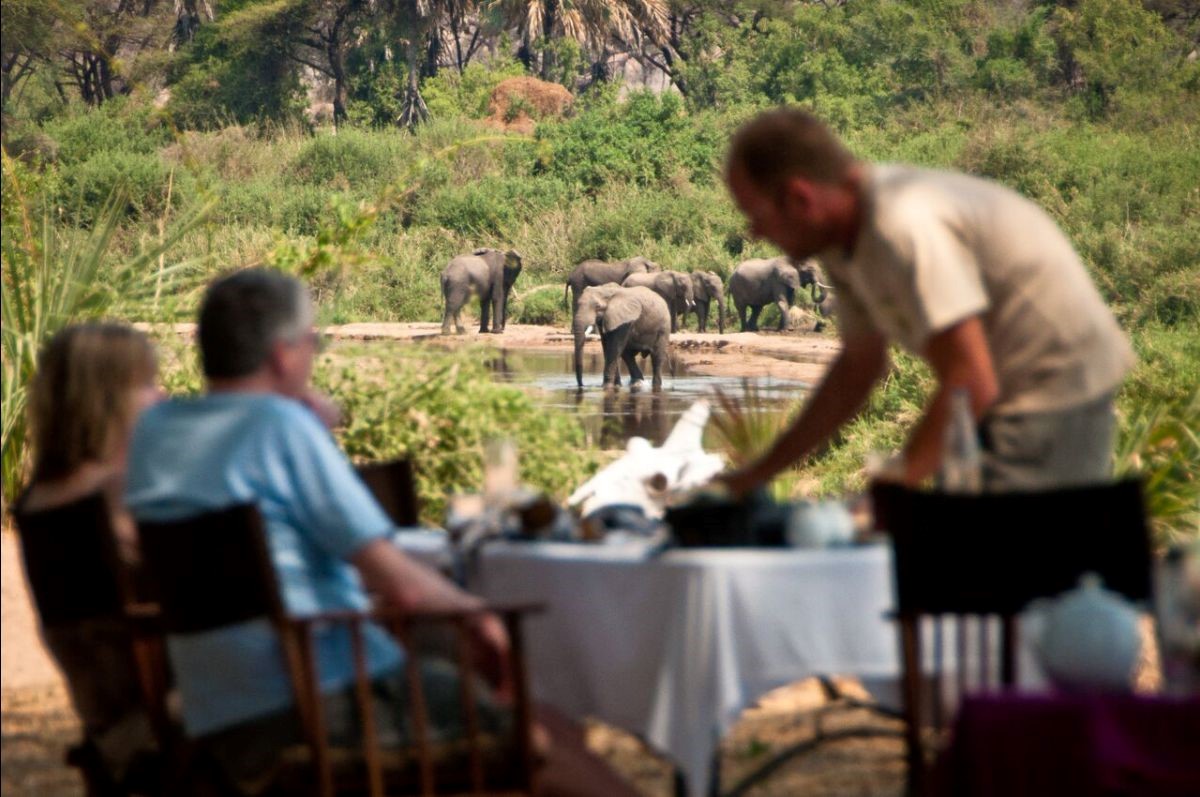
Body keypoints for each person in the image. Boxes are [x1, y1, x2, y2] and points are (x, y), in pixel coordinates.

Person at [124, 268, 636, 796]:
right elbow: (405, 586)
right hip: (319, 705)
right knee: (545, 732)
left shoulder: (154, 434)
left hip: (216, 709)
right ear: (283, 355)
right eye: (311, 343)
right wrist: (481, 618)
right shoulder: (280, 429)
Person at [719, 108, 1134, 494]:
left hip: (1054, 390)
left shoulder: (898, 226)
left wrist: (896, 487)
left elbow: (971, 380)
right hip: (996, 394)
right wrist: (759, 474)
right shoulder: (840, 239)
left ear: (799, 199)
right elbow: (859, 365)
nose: (754, 234)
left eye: (755, 215)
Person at [16, 322, 163, 788]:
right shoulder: (118, 496)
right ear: (106, 397)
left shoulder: (38, 505)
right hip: (166, 723)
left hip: (106, 725)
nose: (160, 398)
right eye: (146, 385)